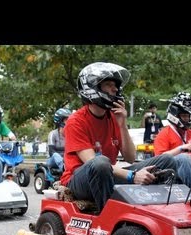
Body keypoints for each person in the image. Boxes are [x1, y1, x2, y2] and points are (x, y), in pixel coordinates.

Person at [60, 62, 177, 213]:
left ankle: (159, 211)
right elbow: (92, 162)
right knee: (100, 162)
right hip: (79, 180)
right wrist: (132, 176)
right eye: (109, 84)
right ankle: (108, 218)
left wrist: (122, 124)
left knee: (167, 161)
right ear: (92, 88)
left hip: (108, 174)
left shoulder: (114, 117)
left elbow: (130, 157)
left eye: (115, 85)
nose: (115, 89)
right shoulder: (75, 121)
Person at [153, 92, 191, 189]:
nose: (187, 119)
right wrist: (181, 148)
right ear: (175, 116)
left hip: (190, 168)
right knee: (184, 158)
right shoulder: (164, 133)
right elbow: (160, 159)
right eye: (184, 116)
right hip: (170, 173)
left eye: (188, 116)